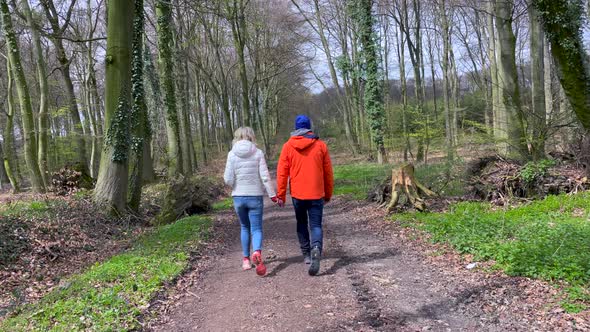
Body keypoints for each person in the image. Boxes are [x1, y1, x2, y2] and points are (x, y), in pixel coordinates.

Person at [276, 115, 334, 276]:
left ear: (295, 129)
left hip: (298, 194)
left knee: (301, 223)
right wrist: (328, 193)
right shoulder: (321, 145)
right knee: (316, 225)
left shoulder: (288, 146)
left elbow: (282, 173)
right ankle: (316, 248)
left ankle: (307, 254)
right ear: (309, 128)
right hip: (316, 193)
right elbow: (328, 173)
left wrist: (281, 194)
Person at [224, 127, 282, 276]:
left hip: (238, 197)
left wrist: (235, 185)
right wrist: (272, 195)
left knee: (244, 227)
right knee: (256, 229)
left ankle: (245, 260)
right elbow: (264, 176)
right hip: (255, 196)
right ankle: (256, 251)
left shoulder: (231, 154)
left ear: (237, 137)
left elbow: (228, 179)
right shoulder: (257, 152)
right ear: (251, 137)